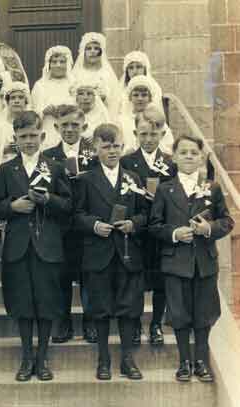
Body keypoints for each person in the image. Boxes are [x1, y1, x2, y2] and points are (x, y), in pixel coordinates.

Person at [0, 111, 72, 382]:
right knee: (23, 302)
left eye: (33, 136)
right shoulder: (6, 169)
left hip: (47, 245)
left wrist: (48, 199)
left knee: (47, 301)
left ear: (43, 136)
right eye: (23, 136)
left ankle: (43, 357)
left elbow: (68, 206)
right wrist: (12, 207)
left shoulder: (55, 167)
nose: (28, 141)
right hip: (18, 245)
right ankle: (26, 357)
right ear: (15, 138)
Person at [149, 135, 234, 383]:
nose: (188, 156)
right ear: (174, 157)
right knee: (179, 312)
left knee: (204, 313)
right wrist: (174, 233)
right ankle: (184, 361)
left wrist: (208, 228)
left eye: (193, 153)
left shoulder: (212, 187)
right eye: (183, 152)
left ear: (201, 158)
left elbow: (227, 221)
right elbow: (155, 225)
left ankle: (201, 361)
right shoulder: (165, 190)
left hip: (204, 261)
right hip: (175, 261)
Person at [75, 124, 148, 381]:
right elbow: (77, 214)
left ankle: (127, 358)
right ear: (95, 148)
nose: (112, 151)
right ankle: (103, 358)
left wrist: (133, 224)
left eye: (116, 146)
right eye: (106, 147)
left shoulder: (133, 178)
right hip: (99, 252)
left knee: (129, 307)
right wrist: (93, 225)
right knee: (101, 307)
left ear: (123, 145)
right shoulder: (85, 179)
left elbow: (144, 213)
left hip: (127, 252)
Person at [43, 104, 98, 344]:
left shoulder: (94, 155)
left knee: (89, 275)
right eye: (64, 125)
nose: (69, 129)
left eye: (74, 125)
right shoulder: (49, 157)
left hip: (87, 225)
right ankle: (62, 321)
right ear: (56, 127)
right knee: (60, 275)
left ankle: (90, 321)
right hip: (61, 227)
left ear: (84, 126)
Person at [120, 114, 177, 346]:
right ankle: (134, 324)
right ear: (135, 134)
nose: (148, 138)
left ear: (162, 134)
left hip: (161, 229)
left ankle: (155, 324)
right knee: (135, 279)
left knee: (161, 279)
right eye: (143, 133)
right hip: (137, 230)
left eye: (154, 134)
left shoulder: (170, 164)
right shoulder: (127, 161)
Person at [32, 45, 75, 150]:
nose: (58, 65)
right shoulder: (40, 85)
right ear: (49, 64)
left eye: (62, 62)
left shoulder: (75, 84)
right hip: (48, 129)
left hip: (70, 130)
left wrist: (65, 111)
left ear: (68, 64)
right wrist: (44, 111)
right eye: (54, 62)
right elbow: (32, 112)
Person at [119, 76, 174, 154]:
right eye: (136, 95)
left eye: (144, 95)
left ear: (150, 98)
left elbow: (168, 145)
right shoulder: (122, 121)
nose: (140, 98)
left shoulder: (157, 120)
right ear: (130, 97)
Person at [71, 32, 121, 117]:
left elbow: (116, 98)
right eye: (89, 49)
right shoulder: (76, 74)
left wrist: (104, 98)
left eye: (96, 48)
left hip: (103, 115)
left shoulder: (107, 74)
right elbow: (71, 97)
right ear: (84, 52)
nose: (93, 51)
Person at [0, 81, 30, 167]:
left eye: (20, 98)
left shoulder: (31, 125)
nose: (16, 101)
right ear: (7, 102)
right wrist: (5, 150)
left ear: (26, 102)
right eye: (13, 98)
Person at [118, 51, 164, 115]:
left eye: (138, 67)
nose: (135, 71)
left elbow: (156, 111)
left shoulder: (154, 88)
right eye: (131, 68)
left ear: (145, 69)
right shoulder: (121, 89)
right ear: (127, 71)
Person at [69, 78, 110, 143]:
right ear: (76, 98)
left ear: (95, 97)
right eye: (81, 94)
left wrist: (98, 137)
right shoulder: (69, 116)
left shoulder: (103, 117)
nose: (85, 98)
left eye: (89, 94)